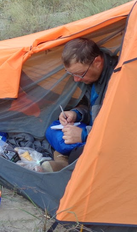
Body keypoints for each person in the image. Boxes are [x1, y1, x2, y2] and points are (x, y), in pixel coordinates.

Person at [42, 38, 119, 172]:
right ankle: (64, 160)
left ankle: (64, 161)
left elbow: (121, 128)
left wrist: (84, 135)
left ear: (97, 62)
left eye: (79, 74)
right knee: (52, 129)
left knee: (84, 153)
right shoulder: (93, 77)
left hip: (108, 139)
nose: (76, 79)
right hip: (93, 129)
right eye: (72, 74)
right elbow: (90, 107)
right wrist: (76, 114)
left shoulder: (118, 79)